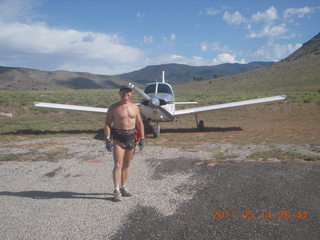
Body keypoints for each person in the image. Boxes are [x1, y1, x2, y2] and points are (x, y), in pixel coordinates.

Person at [104, 85, 145, 202]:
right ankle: (116, 190)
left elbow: (140, 123)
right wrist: (107, 139)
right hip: (118, 137)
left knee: (127, 164)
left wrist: (142, 139)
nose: (125, 94)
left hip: (131, 137)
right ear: (119, 93)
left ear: (131, 94)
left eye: (128, 92)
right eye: (123, 92)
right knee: (118, 164)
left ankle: (123, 187)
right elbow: (107, 124)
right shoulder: (113, 107)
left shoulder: (135, 108)